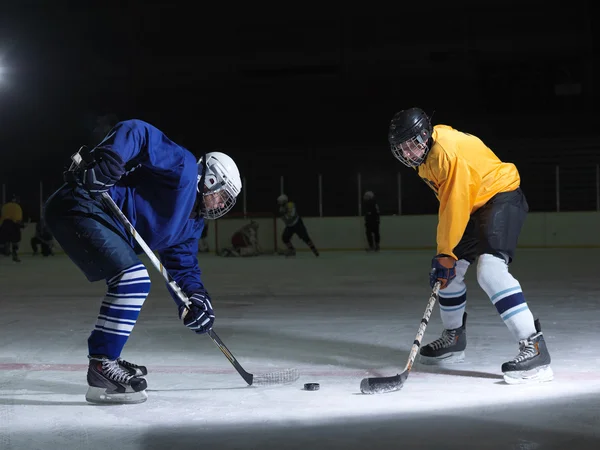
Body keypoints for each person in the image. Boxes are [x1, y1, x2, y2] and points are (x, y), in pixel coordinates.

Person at [44, 119, 242, 404]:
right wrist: (110, 159)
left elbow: (183, 267)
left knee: (130, 280)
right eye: (222, 196)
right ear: (210, 179)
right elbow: (138, 131)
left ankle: (104, 360)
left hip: (101, 220)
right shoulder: (183, 168)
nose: (221, 205)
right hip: (83, 203)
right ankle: (103, 365)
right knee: (132, 279)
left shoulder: (192, 225)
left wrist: (196, 298)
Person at [387, 107, 552, 384]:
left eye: (412, 145)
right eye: (402, 148)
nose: (408, 153)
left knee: (489, 270)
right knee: (446, 277)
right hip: (477, 203)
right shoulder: (425, 156)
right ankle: (454, 339)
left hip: (500, 195)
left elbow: (455, 204)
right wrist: (446, 256)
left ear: (425, 136)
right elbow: (453, 205)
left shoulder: (446, 154)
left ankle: (535, 348)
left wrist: (445, 251)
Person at [0, 195, 24, 262]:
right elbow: (18, 219)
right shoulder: (17, 207)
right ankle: (14, 254)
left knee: (4, 240)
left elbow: (2, 216)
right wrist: (21, 225)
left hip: (4, 224)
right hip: (13, 225)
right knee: (16, 240)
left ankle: (4, 250)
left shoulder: (4, 206)